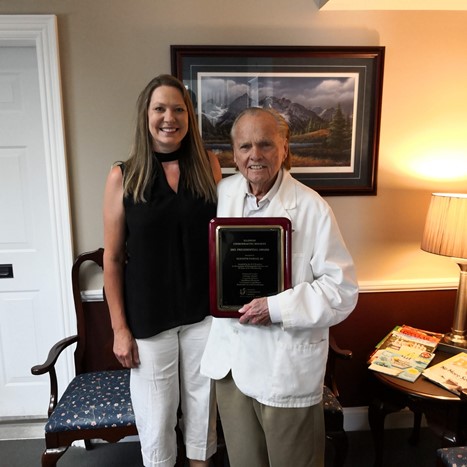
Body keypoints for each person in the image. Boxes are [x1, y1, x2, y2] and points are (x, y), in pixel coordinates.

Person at [200, 107, 358, 467]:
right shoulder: (222, 195)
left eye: (265, 144)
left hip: (284, 369)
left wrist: (275, 307)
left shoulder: (312, 208)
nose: (254, 155)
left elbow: (342, 290)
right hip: (231, 368)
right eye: (245, 146)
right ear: (233, 152)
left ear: (284, 148)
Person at [103, 74, 222, 467]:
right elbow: (112, 259)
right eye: (160, 109)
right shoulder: (124, 175)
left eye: (178, 109)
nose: (169, 118)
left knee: (203, 416)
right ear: (146, 115)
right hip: (149, 321)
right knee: (156, 423)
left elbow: (222, 240)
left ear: (189, 117)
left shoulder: (208, 166)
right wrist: (120, 329)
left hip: (203, 316)